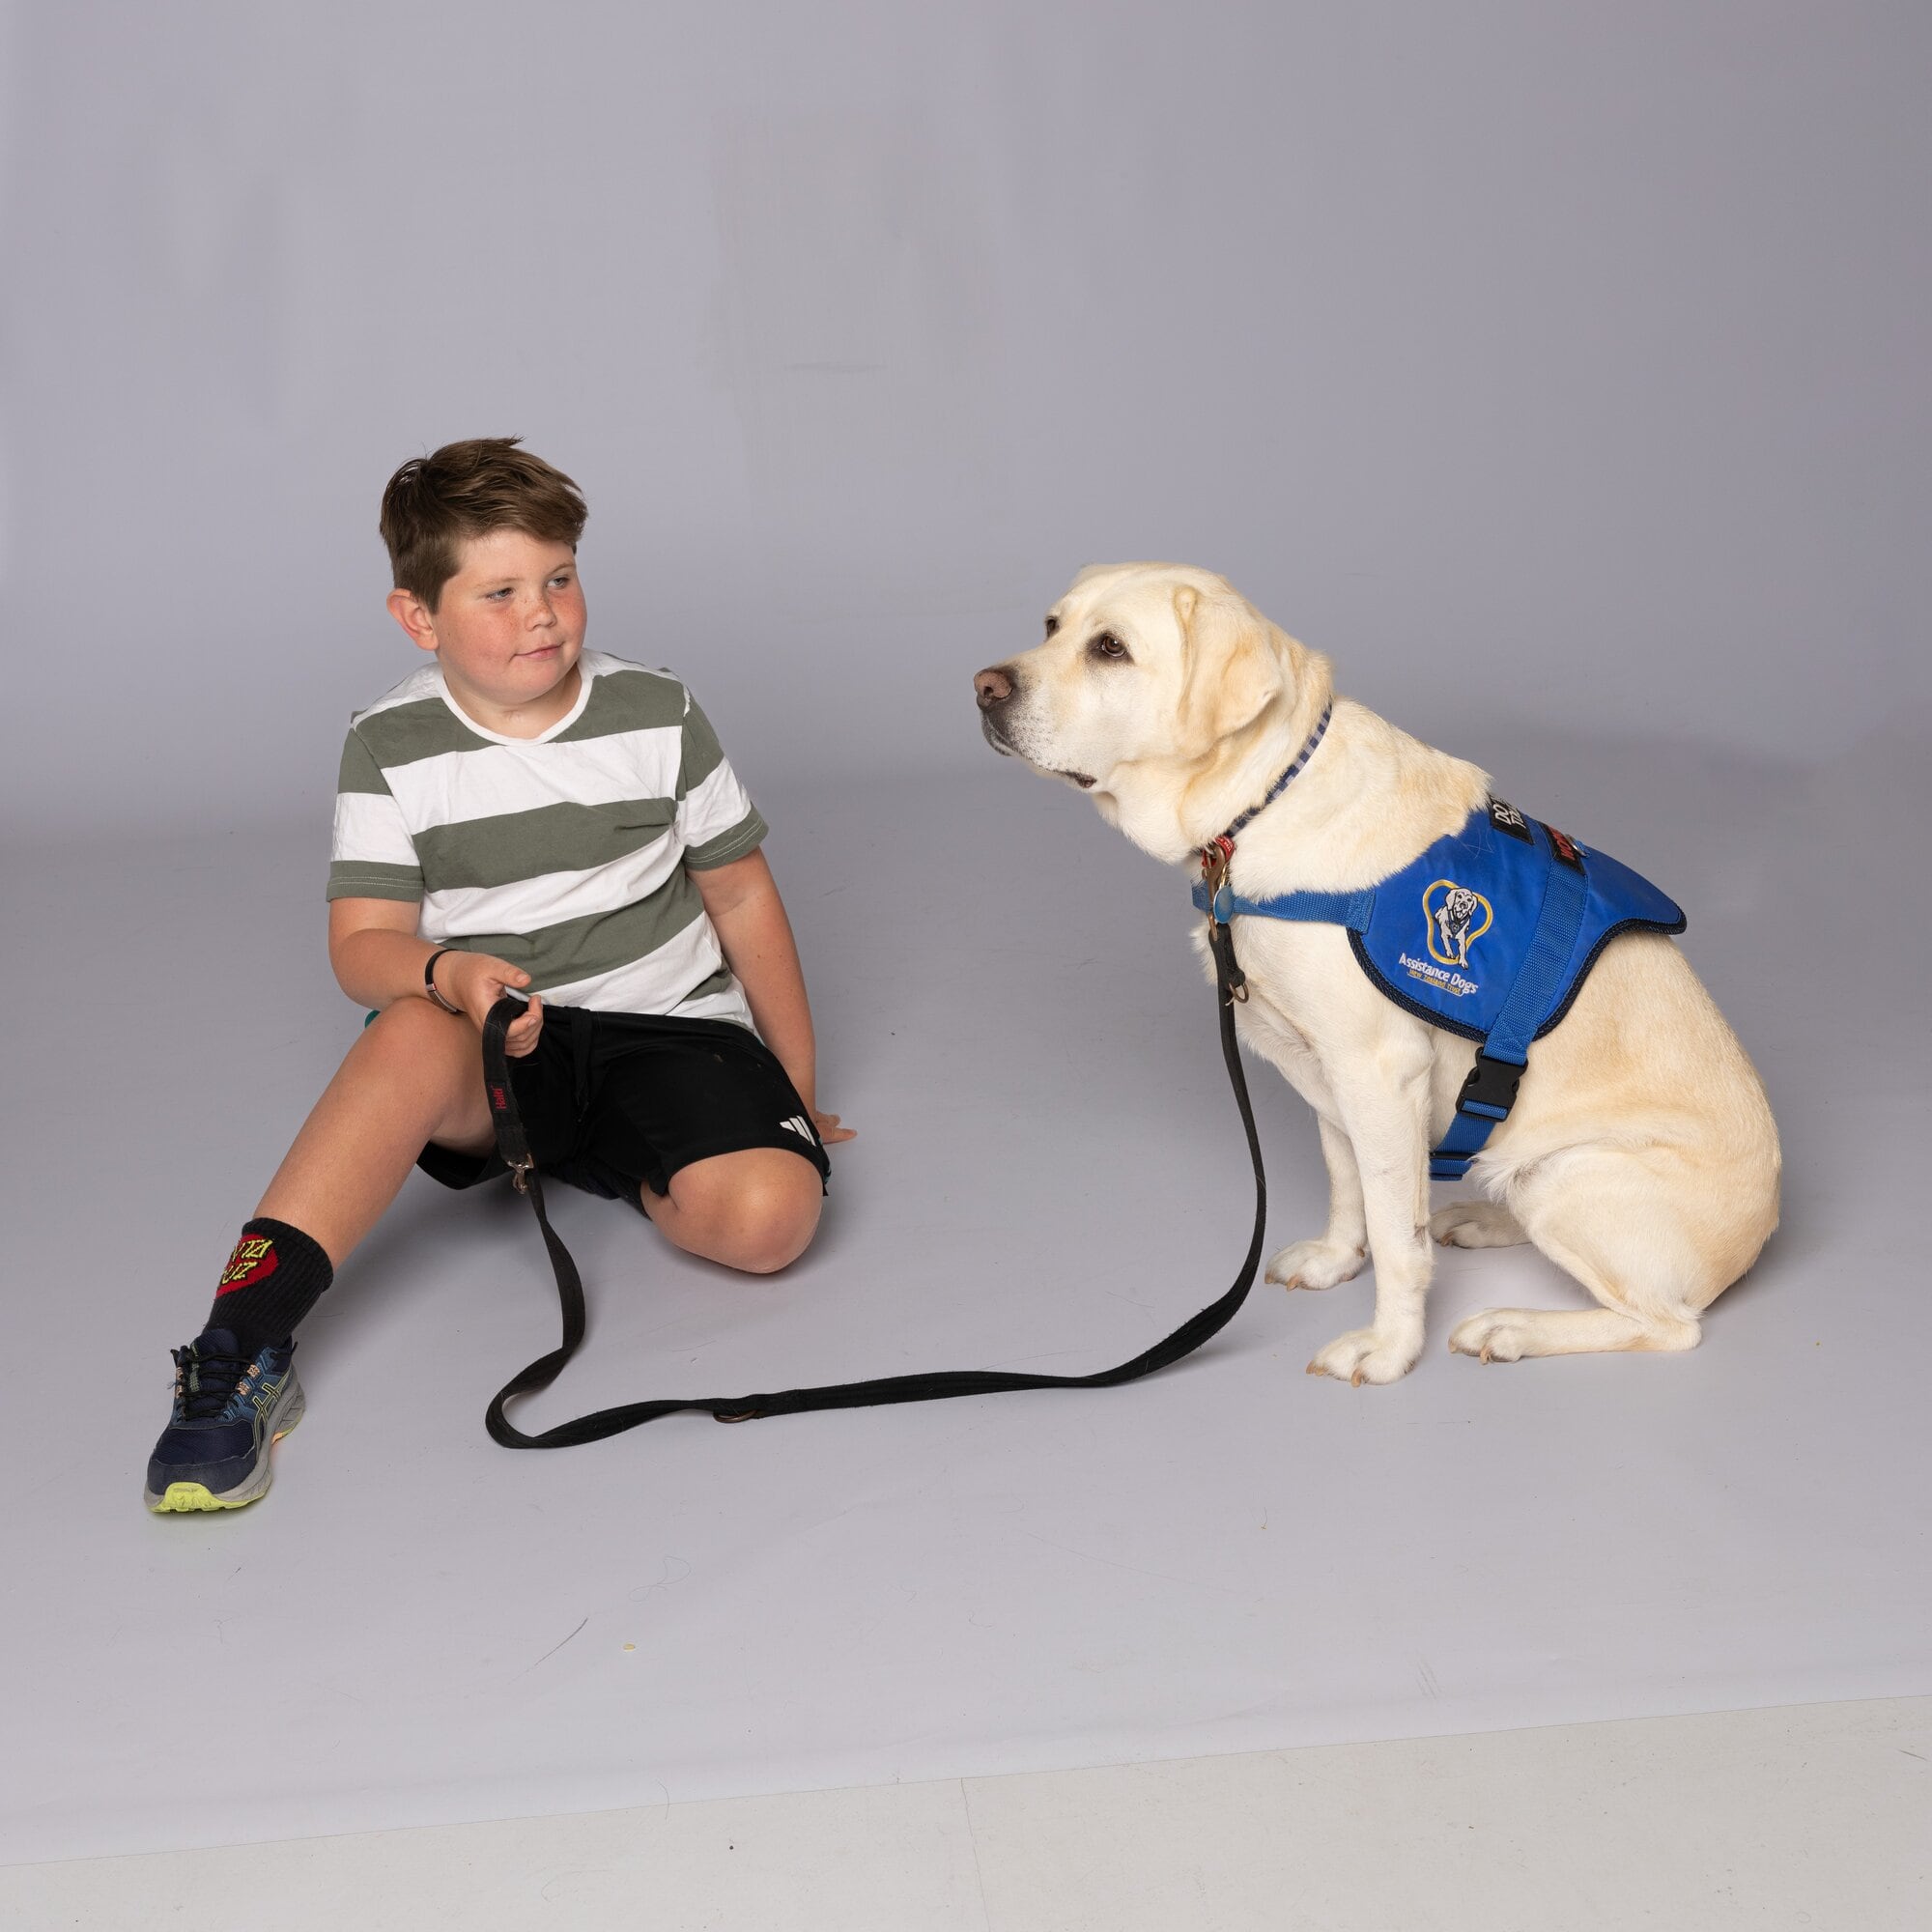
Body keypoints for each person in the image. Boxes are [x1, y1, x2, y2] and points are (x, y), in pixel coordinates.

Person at [145, 437, 854, 1513]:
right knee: (404, 1023)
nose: (543, 614)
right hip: (500, 1028)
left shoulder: (657, 711)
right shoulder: (388, 742)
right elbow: (360, 945)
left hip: (667, 1023)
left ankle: (616, 1142)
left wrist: (792, 1083)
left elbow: (743, 896)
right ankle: (239, 1343)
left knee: (769, 1220)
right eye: (502, 591)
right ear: (417, 618)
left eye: (560, 579)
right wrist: (449, 971)